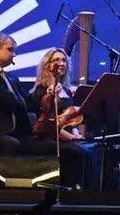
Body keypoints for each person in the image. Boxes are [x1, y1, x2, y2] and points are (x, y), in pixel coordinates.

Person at [31, 47, 100, 187]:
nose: (61, 63)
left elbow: (71, 120)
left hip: (68, 137)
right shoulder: (42, 90)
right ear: (48, 65)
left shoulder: (66, 90)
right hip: (51, 138)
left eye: (63, 60)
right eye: (56, 60)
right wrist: (72, 137)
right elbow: (51, 124)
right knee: (80, 152)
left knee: (96, 149)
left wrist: (76, 133)